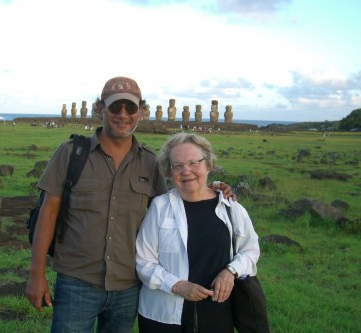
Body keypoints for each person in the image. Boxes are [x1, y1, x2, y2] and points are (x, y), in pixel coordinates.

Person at [25, 77, 234, 333]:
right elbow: (48, 212)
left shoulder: (149, 162)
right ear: (100, 109)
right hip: (76, 281)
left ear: (140, 112)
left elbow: (172, 204)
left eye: (130, 108)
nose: (123, 115)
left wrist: (210, 188)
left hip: (128, 284)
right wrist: (36, 274)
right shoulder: (71, 153)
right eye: (115, 107)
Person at [136, 132, 260, 333]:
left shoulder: (230, 207)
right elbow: (143, 261)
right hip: (162, 317)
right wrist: (176, 285)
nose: (186, 171)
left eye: (194, 162)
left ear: (208, 164)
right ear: (170, 171)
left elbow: (250, 251)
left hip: (216, 315)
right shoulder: (160, 207)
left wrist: (230, 271)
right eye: (178, 165)